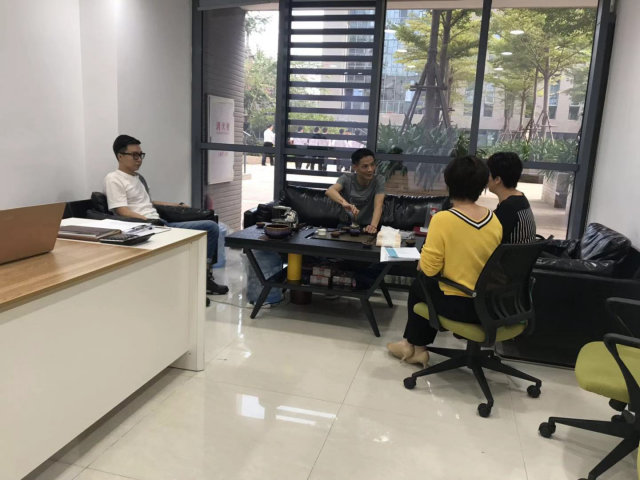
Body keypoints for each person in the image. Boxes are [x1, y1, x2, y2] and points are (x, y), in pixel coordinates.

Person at [386, 156, 502, 368]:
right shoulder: (493, 219)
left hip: (463, 306)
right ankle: (415, 348)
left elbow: (429, 269)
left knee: (421, 283)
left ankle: (413, 346)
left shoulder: (444, 219)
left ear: (448, 184)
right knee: (425, 285)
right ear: (482, 186)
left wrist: (422, 263)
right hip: (493, 304)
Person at [104, 135, 229, 300]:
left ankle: (202, 277)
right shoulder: (113, 179)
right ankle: (192, 286)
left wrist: (177, 205)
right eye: (134, 155)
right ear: (120, 156)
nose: (139, 159)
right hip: (145, 228)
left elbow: (149, 202)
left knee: (210, 227)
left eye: (141, 155)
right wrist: (149, 222)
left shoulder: (138, 178)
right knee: (208, 229)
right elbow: (122, 211)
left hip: (159, 223)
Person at [325, 148, 385, 234]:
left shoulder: (379, 180)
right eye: (365, 166)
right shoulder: (346, 178)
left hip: (367, 226)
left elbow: (378, 205)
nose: (370, 169)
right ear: (355, 167)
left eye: (372, 165)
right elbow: (330, 191)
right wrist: (344, 203)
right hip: (346, 226)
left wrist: (373, 226)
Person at [487, 152, 537, 244]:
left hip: (511, 253)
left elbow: (489, 240)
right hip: (524, 252)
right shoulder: (520, 198)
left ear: (497, 179)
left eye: (488, 174)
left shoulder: (508, 207)